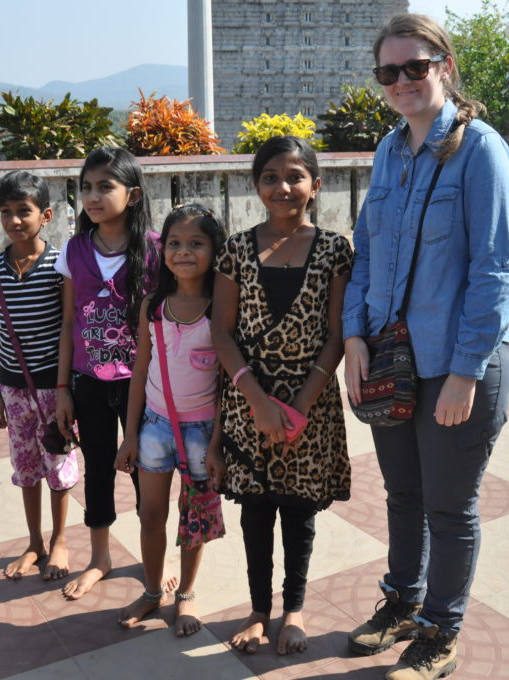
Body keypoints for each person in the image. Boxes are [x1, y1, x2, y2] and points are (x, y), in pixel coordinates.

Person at [342, 13, 509, 680]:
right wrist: (354, 335)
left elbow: (495, 270)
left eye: (415, 66)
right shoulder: (390, 151)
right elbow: (365, 255)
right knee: (403, 497)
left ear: (443, 65)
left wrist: (466, 372)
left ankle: (440, 631)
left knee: (449, 508)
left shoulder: (480, 151)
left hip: (456, 367)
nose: (402, 81)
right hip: (393, 361)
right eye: (389, 71)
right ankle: (402, 603)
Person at [212, 136, 353, 656]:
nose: (283, 187)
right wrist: (258, 401)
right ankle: (257, 610)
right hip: (249, 402)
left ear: (315, 186)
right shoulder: (235, 249)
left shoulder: (335, 249)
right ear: (257, 185)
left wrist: (296, 407)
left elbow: (336, 335)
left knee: (298, 512)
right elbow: (221, 333)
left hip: (309, 404)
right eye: (270, 177)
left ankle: (293, 607)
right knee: (254, 511)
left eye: (294, 176)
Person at [113, 204, 228, 636]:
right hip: (155, 429)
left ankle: (186, 595)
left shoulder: (221, 307)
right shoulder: (153, 307)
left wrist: (217, 443)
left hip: (202, 434)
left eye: (196, 243)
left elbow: (227, 386)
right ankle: (150, 589)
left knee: (195, 516)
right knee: (151, 515)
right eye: (174, 243)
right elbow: (139, 372)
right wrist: (130, 436)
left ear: (215, 250)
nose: (183, 251)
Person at [54, 146, 162, 600]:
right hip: (88, 383)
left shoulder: (156, 250)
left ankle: (153, 557)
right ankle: (100, 558)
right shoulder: (74, 250)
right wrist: (62, 388)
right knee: (98, 469)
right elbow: (66, 323)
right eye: (86, 187)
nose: (93, 196)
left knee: (147, 473)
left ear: (133, 195)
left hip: (145, 385)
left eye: (105, 187)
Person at [0, 170, 79, 582]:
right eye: (6, 212)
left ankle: (60, 540)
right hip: (12, 386)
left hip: (53, 387)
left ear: (47, 215)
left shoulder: (61, 265)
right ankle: (34, 541)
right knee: (25, 465)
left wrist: (64, 389)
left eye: (24, 211)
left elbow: (68, 325)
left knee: (57, 458)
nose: (14, 221)